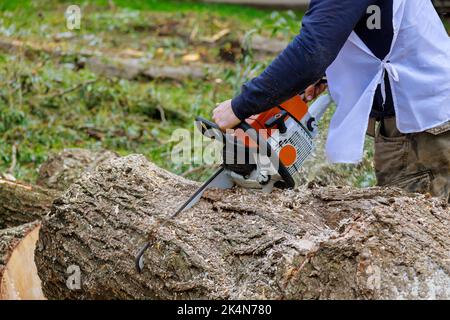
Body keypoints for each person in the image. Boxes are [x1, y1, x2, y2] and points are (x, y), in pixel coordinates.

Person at [212, 0, 450, 202]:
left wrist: (240, 106)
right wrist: (324, 76)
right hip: (425, 110)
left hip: (425, 123)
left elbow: (311, 50)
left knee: (413, 236)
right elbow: (368, 29)